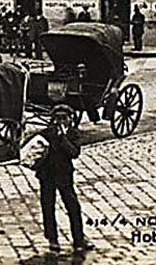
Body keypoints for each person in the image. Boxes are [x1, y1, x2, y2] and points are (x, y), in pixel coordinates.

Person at [34, 104, 92, 254]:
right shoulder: (46, 133)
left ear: (70, 120)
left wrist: (62, 138)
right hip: (47, 175)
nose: (60, 122)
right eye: (57, 118)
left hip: (64, 175)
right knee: (48, 207)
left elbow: (73, 153)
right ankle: (52, 240)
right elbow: (35, 149)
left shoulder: (73, 134)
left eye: (64, 118)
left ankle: (78, 239)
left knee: (73, 207)